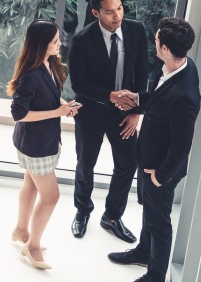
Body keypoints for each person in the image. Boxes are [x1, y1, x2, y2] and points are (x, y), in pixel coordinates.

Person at [108, 17, 200, 282]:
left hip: (160, 169)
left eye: (158, 40)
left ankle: (156, 275)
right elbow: (160, 99)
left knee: (159, 223)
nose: (155, 43)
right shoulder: (181, 66)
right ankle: (143, 253)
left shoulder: (185, 96)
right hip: (149, 158)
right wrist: (137, 99)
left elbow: (182, 145)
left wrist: (160, 175)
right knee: (149, 211)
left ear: (166, 49)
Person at [68, 0, 149, 242]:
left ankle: (112, 217)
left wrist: (136, 112)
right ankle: (82, 211)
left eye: (120, 8)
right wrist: (109, 96)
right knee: (86, 164)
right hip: (91, 113)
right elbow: (78, 84)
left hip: (124, 114)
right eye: (110, 11)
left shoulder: (136, 30)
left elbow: (143, 71)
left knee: (127, 163)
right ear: (96, 13)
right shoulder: (81, 40)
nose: (117, 15)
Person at [8, 19, 80, 269]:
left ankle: (20, 230)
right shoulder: (30, 75)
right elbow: (19, 114)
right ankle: (33, 246)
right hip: (37, 144)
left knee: (30, 185)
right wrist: (58, 113)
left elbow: (48, 96)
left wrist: (62, 106)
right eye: (55, 41)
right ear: (41, 45)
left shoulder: (48, 63)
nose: (60, 44)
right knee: (51, 196)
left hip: (38, 140)